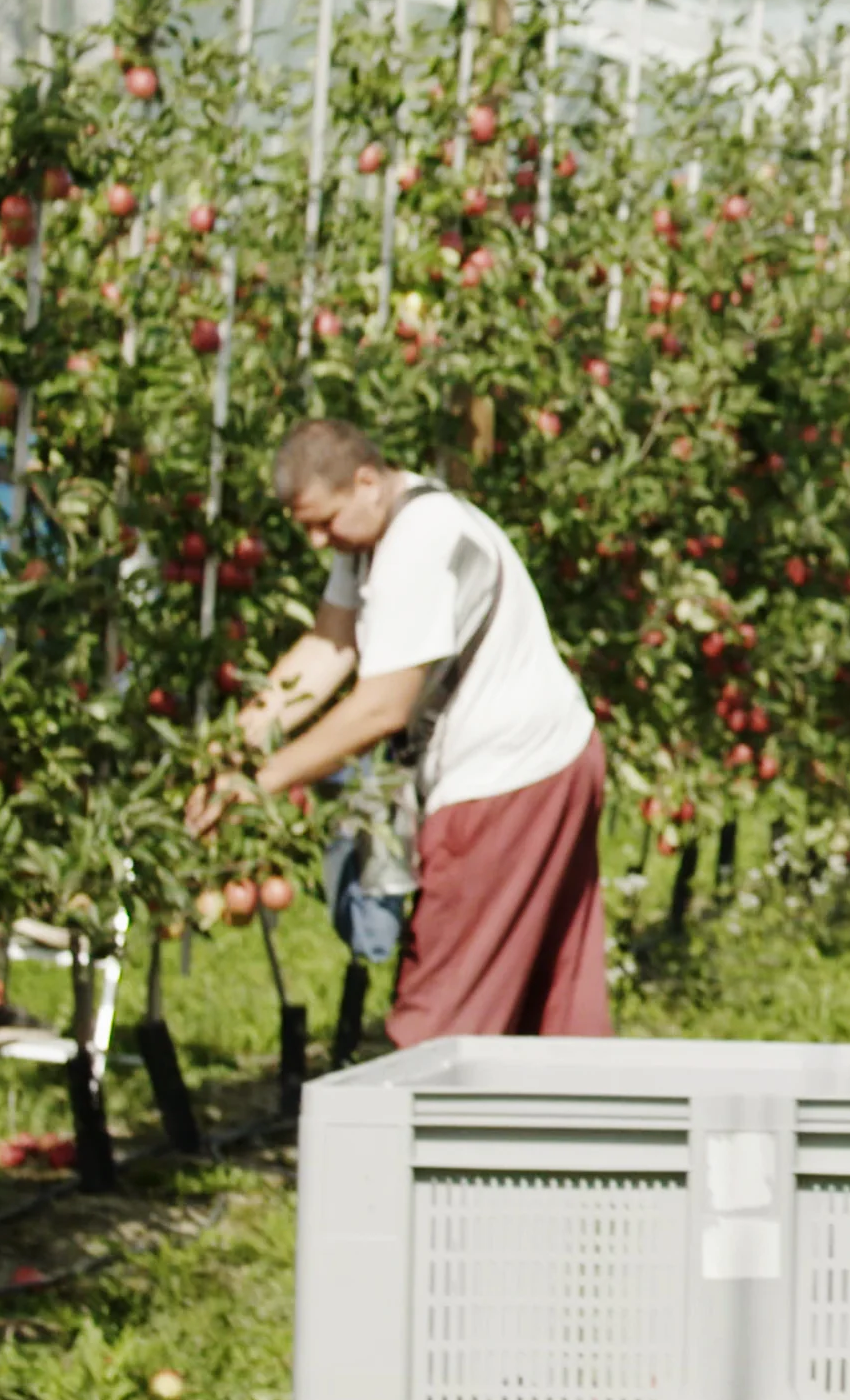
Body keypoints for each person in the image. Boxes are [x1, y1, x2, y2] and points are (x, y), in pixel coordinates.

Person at [188, 419, 613, 1044]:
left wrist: (261, 779)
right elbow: (329, 646)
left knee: (441, 1016)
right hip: (554, 754)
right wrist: (231, 746)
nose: (317, 541)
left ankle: (420, 1107)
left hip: (504, 779)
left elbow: (381, 708)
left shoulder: (418, 542)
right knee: (553, 1007)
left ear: (366, 482)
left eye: (324, 522)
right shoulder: (378, 531)